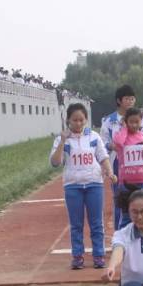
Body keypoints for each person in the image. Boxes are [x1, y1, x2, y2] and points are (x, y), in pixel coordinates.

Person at [50, 103, 116, 270]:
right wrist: (63, 140)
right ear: (68, 121)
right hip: (73, 186)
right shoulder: (61, 139)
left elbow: (103, 157)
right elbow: (55, 162)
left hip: (94, 183)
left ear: (86, 120)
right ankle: (77, 256)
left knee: (96, 222)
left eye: (81, 120)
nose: (78, 123)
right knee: (76, 223)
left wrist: (110, 172)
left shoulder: (93, 136)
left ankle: (98, 255)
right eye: (75, 120)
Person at [101, 85, 143, 230]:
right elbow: (103, 142)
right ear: (119, 101)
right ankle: (120, 233)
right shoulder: (109, 121)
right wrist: (113, 146)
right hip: (119, 163)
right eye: (127, 99)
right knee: (121, 200)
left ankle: (141, 232)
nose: (130, 101)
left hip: (140, 165)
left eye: (132, 98)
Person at [113, 107, 143, 229]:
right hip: (127, 182)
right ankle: (122, 243)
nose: (134, 125)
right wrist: (124, 128)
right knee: (127, 214)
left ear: (141, 122)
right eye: (130, 122)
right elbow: (119, 142)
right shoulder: (121, 135)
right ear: (126, 122)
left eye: (137, 122)